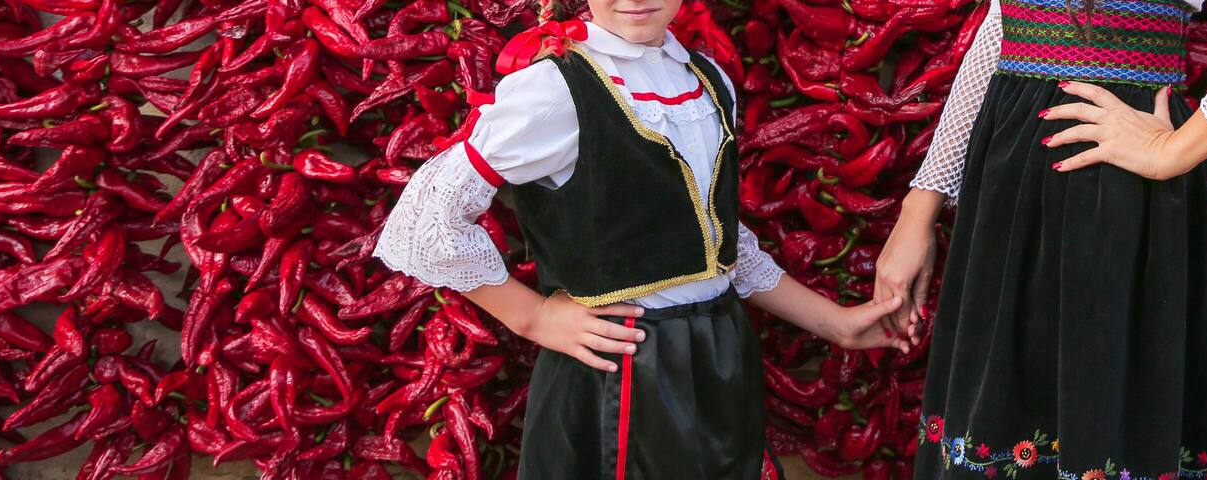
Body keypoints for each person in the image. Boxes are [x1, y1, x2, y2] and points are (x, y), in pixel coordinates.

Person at [371, 0, 906, 478]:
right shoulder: (556, 89)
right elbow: (426, 219)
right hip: (619, 366)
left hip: (719, 358)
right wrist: (531, 317)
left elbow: (717, 243)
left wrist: (833, 322)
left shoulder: (707, 80)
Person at [872, 0, 1207, 478]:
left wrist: (1172, 151)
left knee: (1096, 415)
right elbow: (1005, 20)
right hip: (1010, 176)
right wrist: (920, 205)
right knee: (998, 414)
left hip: (1108, 182)